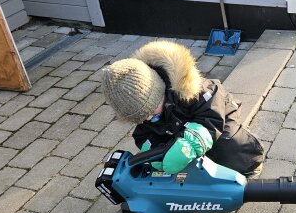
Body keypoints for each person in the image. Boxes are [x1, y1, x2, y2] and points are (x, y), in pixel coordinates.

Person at [101, 40, 264, 177]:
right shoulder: (149, 114)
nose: (148, 118)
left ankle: (249, 165)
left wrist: (191, 144)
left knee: (228, 141)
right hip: (180, 129)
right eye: (142, 117)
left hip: (216, 120)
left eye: (151, 111)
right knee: (173, 157)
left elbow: (212, 118)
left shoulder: (197, 91)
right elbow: (144, 135)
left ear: (159, 92)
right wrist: (154, 154)